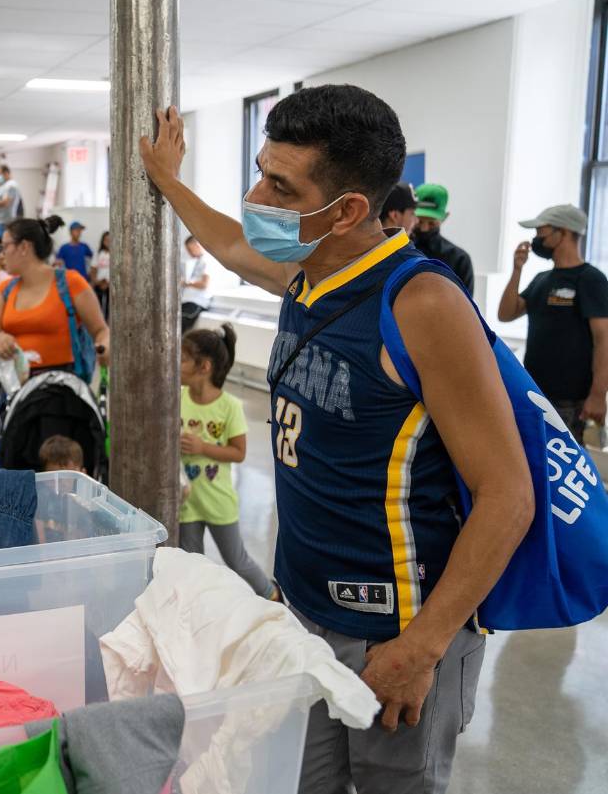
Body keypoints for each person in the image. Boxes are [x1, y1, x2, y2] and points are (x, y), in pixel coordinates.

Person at [140, 87, 531, 794]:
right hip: (303, 616)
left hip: (398, 631)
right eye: (260, 170)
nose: (256, 193)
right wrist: (169, 181)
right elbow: (230, 243)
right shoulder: (304, 275)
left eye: (279, 185)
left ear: (349, 209)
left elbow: (508, 494)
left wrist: (423, 646)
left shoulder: (419, 302)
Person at [497, 204, 608, 443]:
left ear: (564, 232)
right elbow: (506, 314)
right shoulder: (541, 279)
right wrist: (517, 270)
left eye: (541, 232)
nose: (536, 238)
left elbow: (604, 339)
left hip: (569, 401)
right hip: (535, 393)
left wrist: (598, 395)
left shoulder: (590, 279)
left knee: (564, 468)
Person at [179, 325, 275, 599]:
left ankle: (271, 595)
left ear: (204, 367)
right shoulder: (178, 398)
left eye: (183, 359)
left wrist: (202, 446)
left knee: (237, 560)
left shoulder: (229, 406)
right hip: (188, 502)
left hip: (219, 501)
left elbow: (239, 453)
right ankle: (196, 606)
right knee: (191, 563)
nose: (177, 364)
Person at [0, 215, 110, 375]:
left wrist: (105, 345)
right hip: (17, 386)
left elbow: (100, 330)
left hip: (63, 386)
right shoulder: (5, 290)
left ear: (24, 247)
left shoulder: (71, 283)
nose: (1, 255)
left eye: (4, 247)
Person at [411, 183, 475, 296]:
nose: (424, 228)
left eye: (431, 223)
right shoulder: (398, 252)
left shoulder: (459, 259)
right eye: (419, 222)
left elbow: (467, 309)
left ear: (445, 217)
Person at [181, 234, 212, 317]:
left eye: (189, 249)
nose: (188, 252)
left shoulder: (206, 260)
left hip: (197, 302)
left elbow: (204, 284)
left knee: (178, 323)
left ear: (197, 245)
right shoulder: (196, 262)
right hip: (187, 301)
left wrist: (185, 283)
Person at [93, 230, 112, 318]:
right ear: (103, 241)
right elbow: (93, 268)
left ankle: (108, 324)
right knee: (99, 306)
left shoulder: (115, 254)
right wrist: (96, 281)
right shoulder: (98, 253)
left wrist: (108, 283)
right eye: (106, 240)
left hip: (110, 284)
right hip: (99, 283)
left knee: (109, 306)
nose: (108, 242)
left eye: (110, 240)